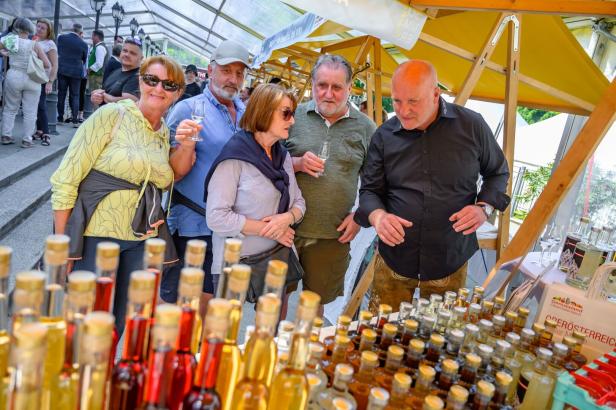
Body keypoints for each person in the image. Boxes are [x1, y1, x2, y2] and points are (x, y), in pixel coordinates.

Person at [50, 55, 192, 332]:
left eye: (169, 84)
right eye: (152, 79)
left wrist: (186, 145)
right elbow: (66, 178)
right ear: (140, 80)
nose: (159, 89)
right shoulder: (112, 115)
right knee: (88, 323)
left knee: (122, 321)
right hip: (97, 236)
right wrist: (63, 244)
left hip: (141, 238)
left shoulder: (162, 131)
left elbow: (167, 179)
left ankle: (106, 375)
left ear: (178, 94)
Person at [354, 60, 511, 310]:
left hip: (449, 257)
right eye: (396, 101)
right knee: (379, 333)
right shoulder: (384, 136)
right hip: (395, 258)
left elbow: (498, 172)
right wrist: (378, 216)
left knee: (437, 340)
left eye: (413, 101)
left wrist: (483, 208)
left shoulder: (472, 126)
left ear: (436, 93)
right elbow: (370, 191)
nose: (403, 111)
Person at [285, 54, 376, 315]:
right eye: (321, 85)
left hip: (331, 235)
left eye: (337, 87)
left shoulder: (367, 129)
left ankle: (306, 354)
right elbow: (265, 165)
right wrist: (297, 162)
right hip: (285, 229)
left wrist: (361, 216)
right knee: (275, 297)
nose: (328, 93)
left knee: (314, 305)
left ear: (349, 88)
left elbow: (377, 182)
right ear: (312, 84)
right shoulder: (292, 117)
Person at [162, 40, 250, 310]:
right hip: (193, 225)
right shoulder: (187, 109)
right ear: (210, 70)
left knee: (215, 307)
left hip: (231, 229)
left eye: (239, 73)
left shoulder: (247, 114)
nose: (232, 79)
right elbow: (169, 173)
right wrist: (186, 146)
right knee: (185, 308)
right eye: (226, 70)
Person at [205, 84, 305, 319]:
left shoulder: (283, 155)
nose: (292, 121)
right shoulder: (235, 156)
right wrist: (272, 230)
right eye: (286, 113)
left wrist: (287, 218)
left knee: (267, 335)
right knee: (224, 337)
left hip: (276, 258)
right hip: (234, 262)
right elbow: (216, 216)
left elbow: (299, 201)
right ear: (264, 111)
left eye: (292, 114)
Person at [0, 18, 51, 148]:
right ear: (29, 29)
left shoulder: (10, 40)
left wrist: (5, 53)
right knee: (30, 111)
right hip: (32, 79)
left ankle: (6, 135)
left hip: (14, 76)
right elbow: (47, 64)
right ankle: (27, 140)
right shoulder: (34, 44)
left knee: (10, 108)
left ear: (16, 27)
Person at [90, 37, 142, 106]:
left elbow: (128, 103)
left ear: (141, 59)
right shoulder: (116, 71)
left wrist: (105, 97)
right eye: (125, 51)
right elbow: (104, 92)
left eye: (132, 53)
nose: (127, 54)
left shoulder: (138, 76)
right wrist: (96, 96)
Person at [56, 23, 88, 127]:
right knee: (75, 95)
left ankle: (60, 118)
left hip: (62, 70)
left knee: (61, 94)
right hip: (76, 73)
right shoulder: (83, 44)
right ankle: (75, 120)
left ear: (71, 29)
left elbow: (58, 51)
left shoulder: (61, 38)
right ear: (81, 32)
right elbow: (84, 59)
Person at [33, 18, 58, 147]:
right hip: (33, 77)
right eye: (38, 26)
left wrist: (50, 82)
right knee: (35, 105)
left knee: (41, 105)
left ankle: (46, 134)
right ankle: (39, 130)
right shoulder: (34, 40)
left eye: (43, 28)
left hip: (44, 79)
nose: (39, 29)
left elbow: (54, 65)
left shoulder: (50, 44)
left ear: (49, 31)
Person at [87, 30, 108, 110]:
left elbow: (99, 63)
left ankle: (97, 116)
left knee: (96, 98)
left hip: (97, 77)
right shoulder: (98, 47)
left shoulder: (100, 47)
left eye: (92, 36)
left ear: (96, 36)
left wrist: (89, 69)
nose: (91, 38)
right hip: (96, 76)